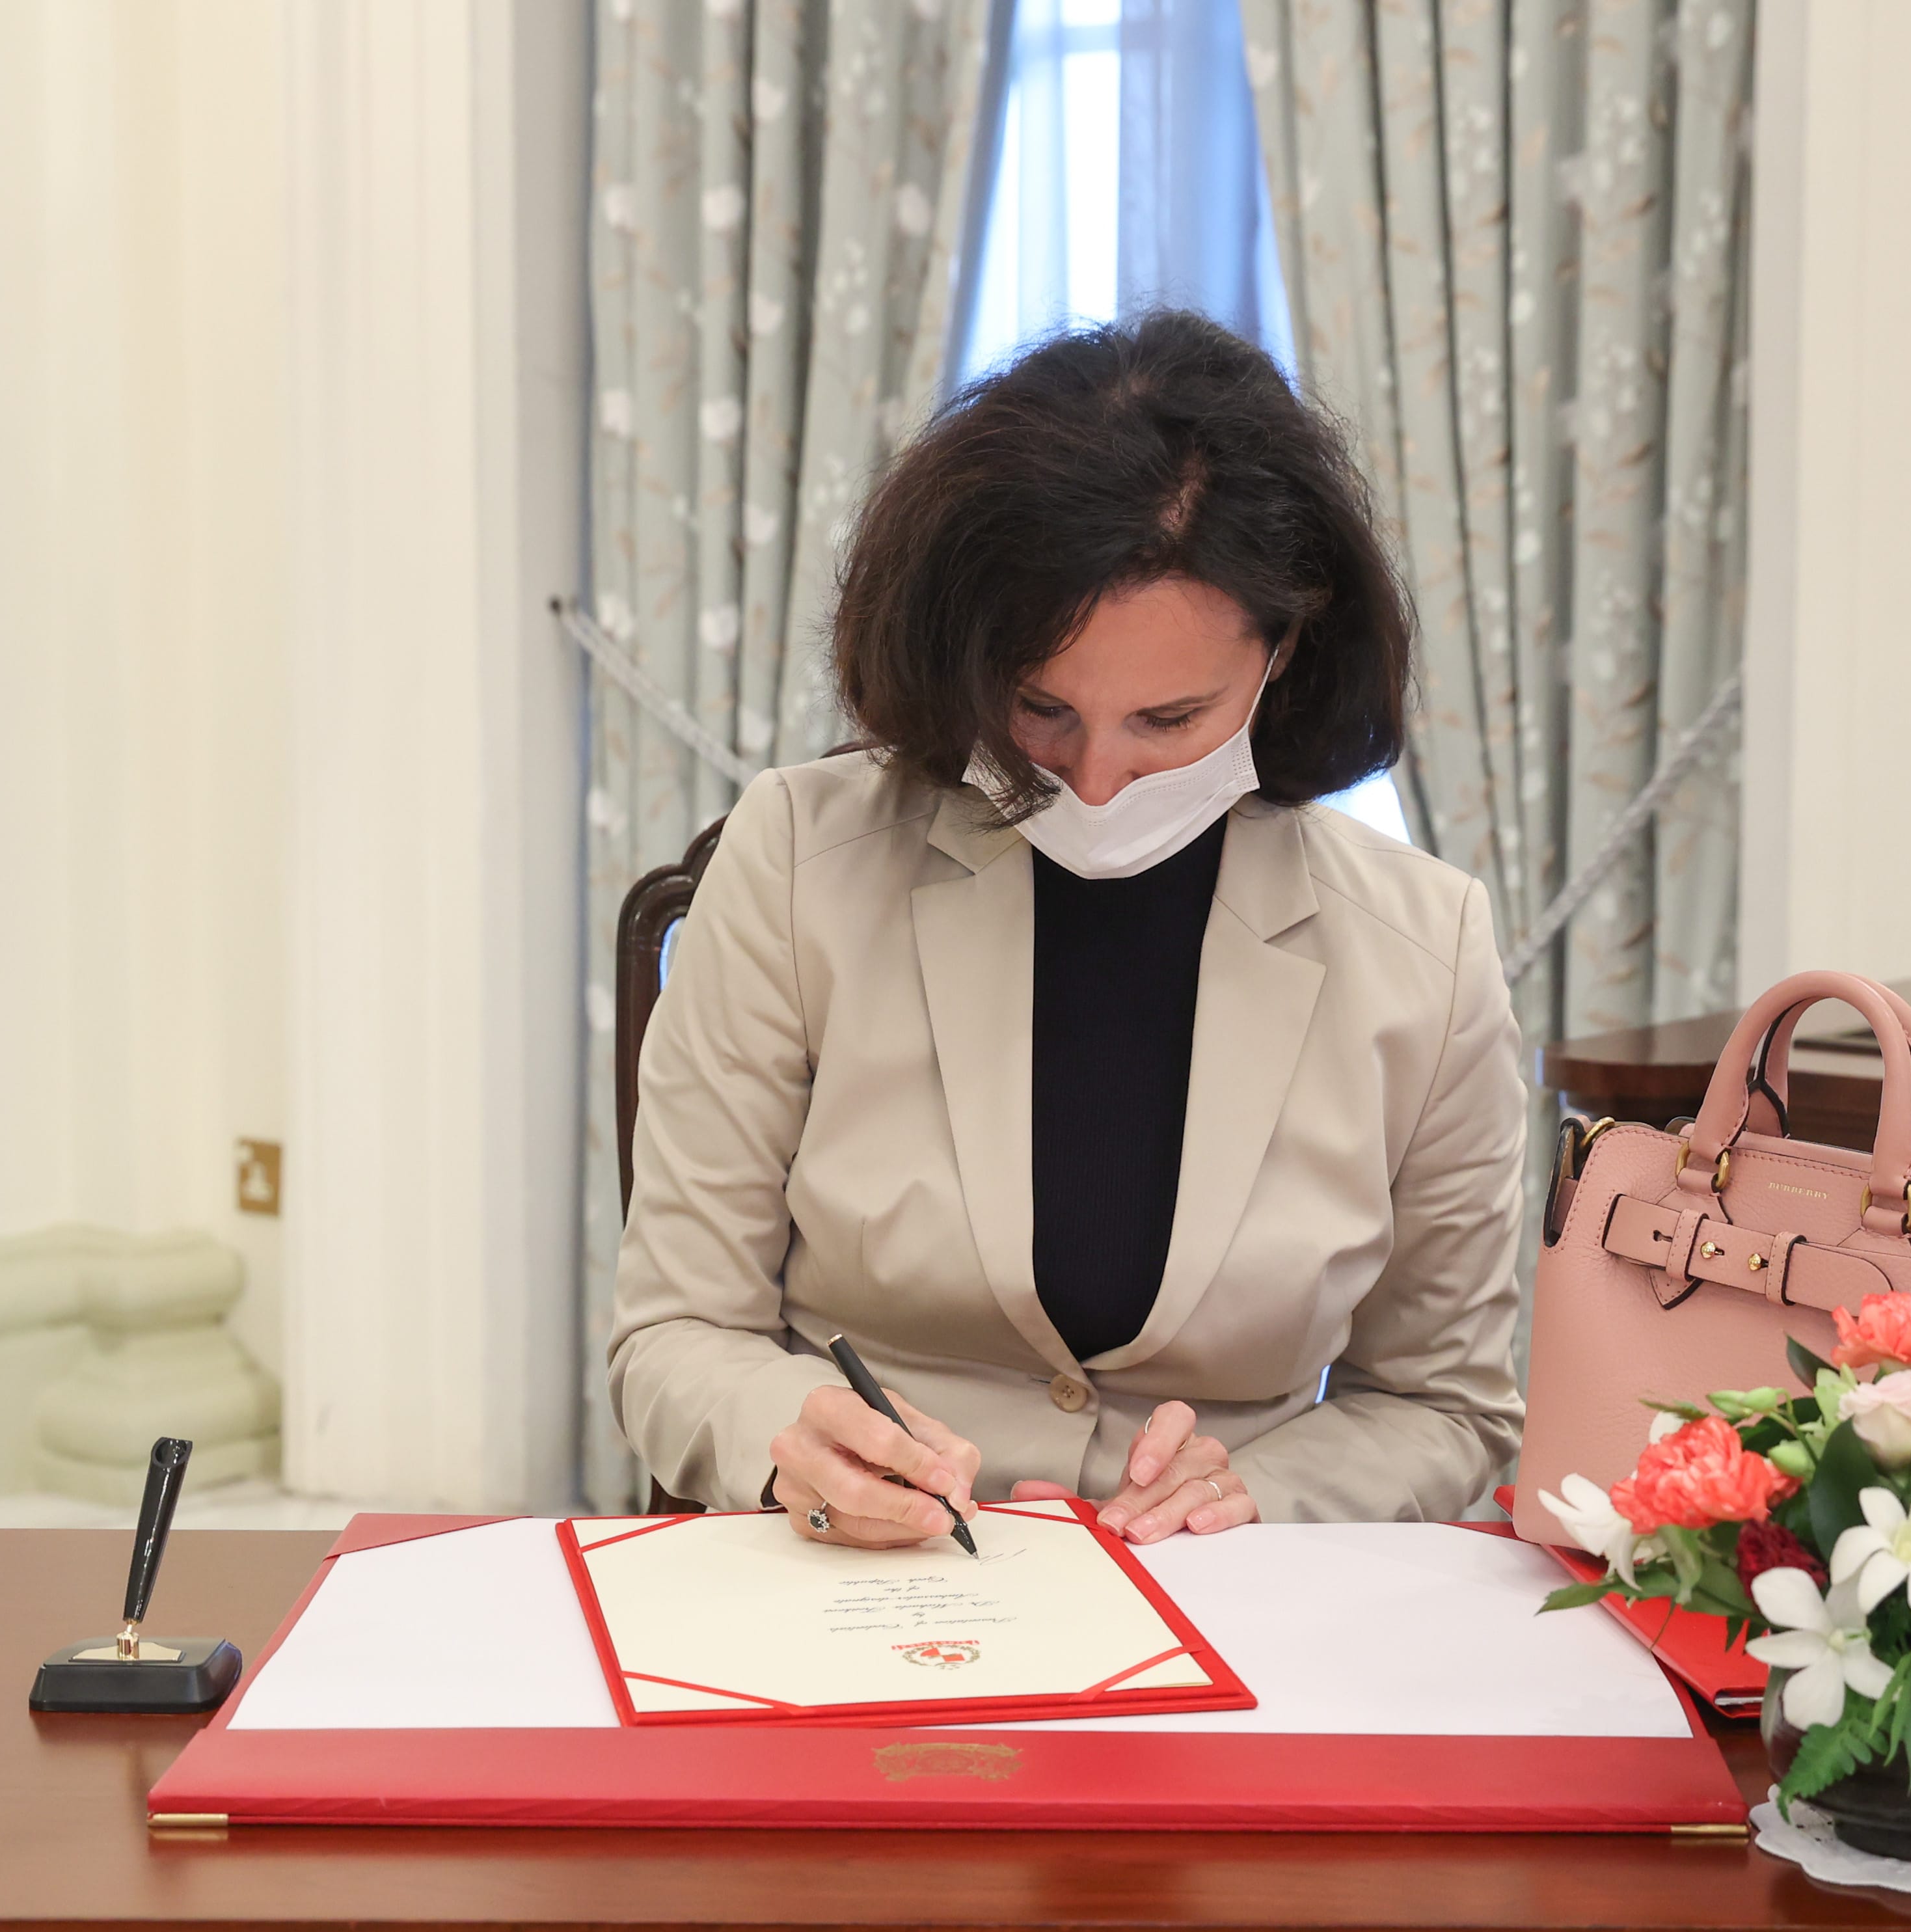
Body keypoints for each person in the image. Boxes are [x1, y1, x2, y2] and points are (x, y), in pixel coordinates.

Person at [609, 310, 1525, 1551]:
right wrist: (794, 1434)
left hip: (1230, 1607)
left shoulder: (1423, 952)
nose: (1095, 784)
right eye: (1041, 710)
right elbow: (675, 1335)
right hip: (865, 1583)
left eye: (1168, 719)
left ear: (1287, 653)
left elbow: (1444, 1404)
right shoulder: (797, 866)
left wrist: (1272, 1492)